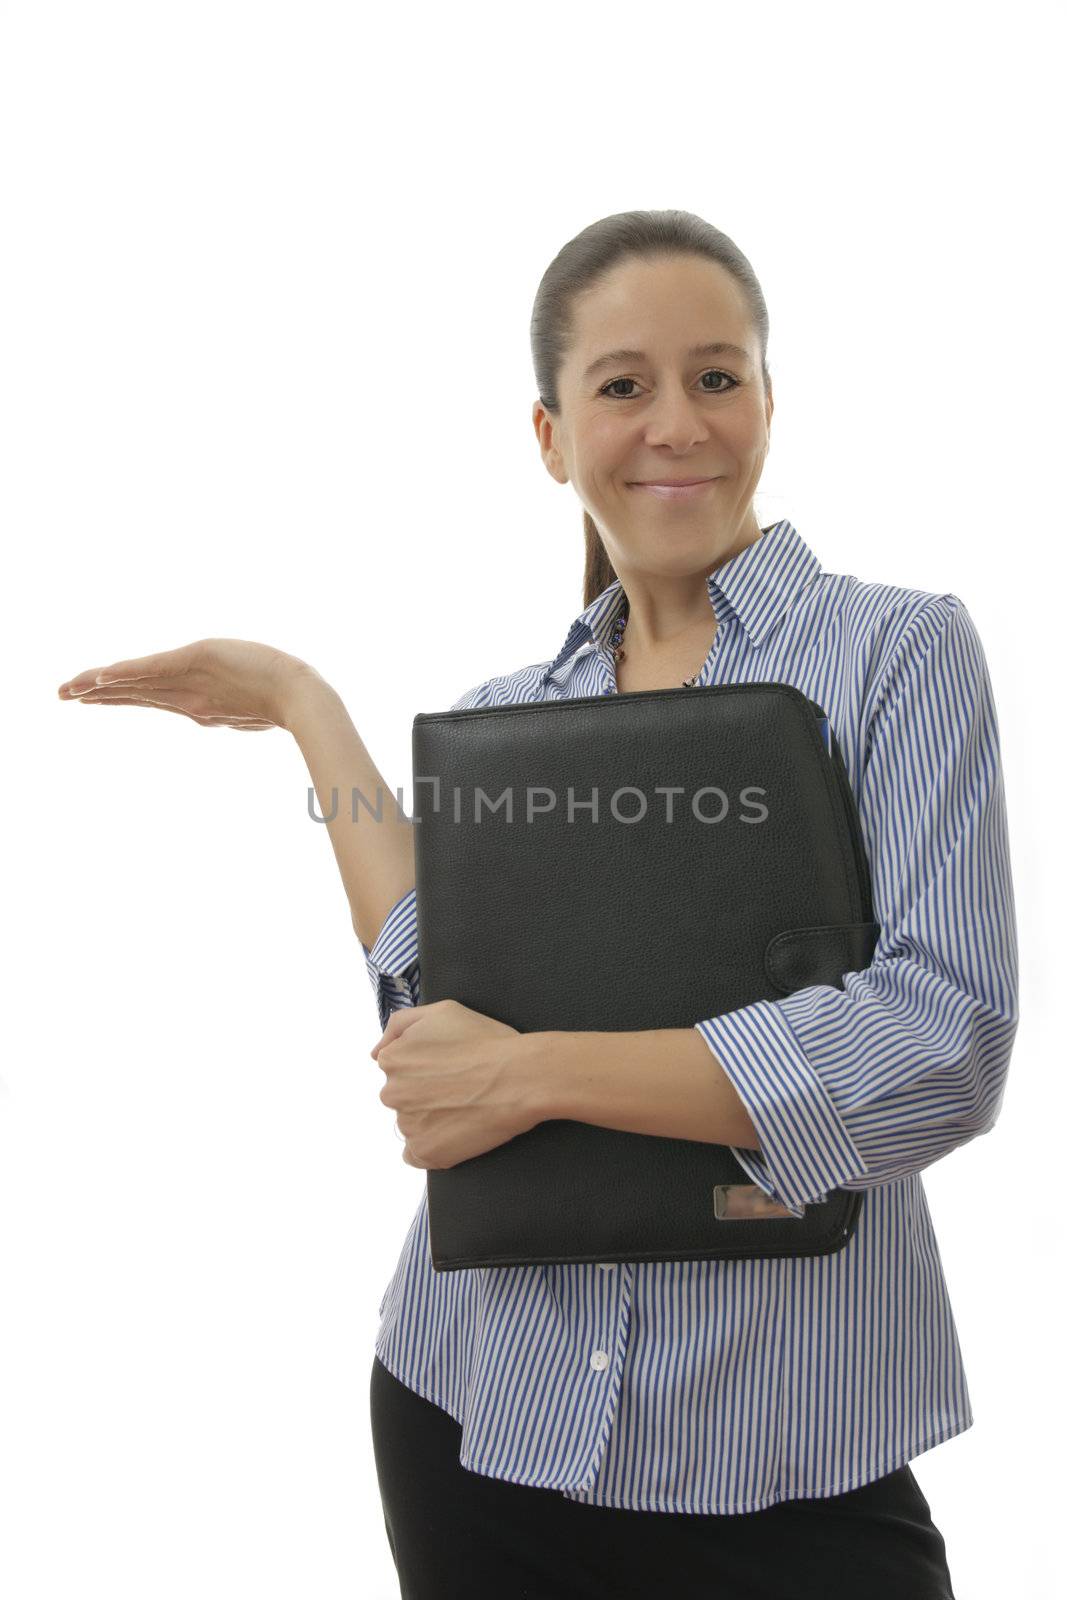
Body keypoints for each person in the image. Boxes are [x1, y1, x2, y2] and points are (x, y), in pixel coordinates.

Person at [57, 209, 1018, 1600]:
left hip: (788, 1451)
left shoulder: (898, 653)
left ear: (768, 402)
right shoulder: (515, 720)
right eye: (622, 385)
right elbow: (439, 1000)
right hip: (476, 1416)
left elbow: (938, 1046)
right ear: (553, 437)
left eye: (717, 375)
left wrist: (532, 1074)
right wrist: (301, 707)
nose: (675, 423)